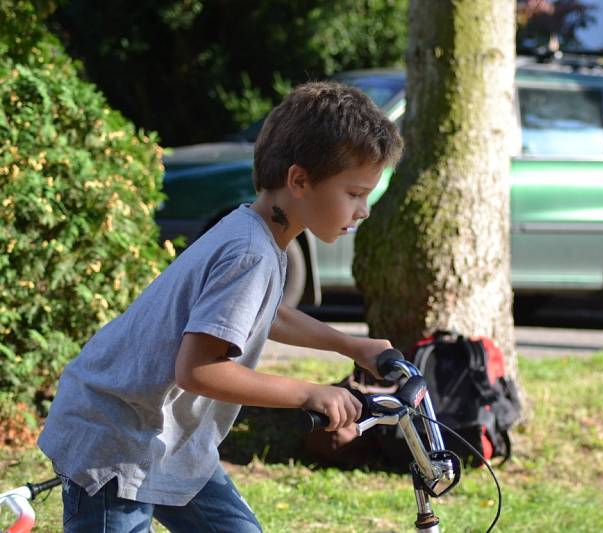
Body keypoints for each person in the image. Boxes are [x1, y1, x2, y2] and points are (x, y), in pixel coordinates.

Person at [38, 81, 404, 532]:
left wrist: (350, 345)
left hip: (167, 441)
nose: (363, 209)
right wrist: (308, 392)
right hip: (117, 438)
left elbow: (262, 314)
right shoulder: (250, 252)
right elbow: (199, 371)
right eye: (354, 193)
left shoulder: (254, 232)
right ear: (300, 180)